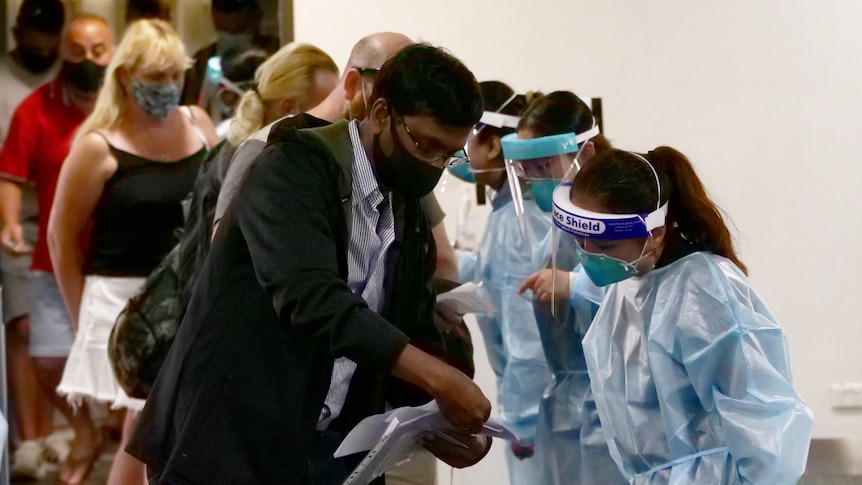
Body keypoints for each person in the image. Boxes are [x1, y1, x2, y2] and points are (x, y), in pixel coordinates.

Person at [127, 43, 491, 484]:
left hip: (331, 445)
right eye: (425, 144)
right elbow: (311, 297)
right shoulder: (291, 167)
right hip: (231, 437)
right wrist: (437, 379)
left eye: (448, 155)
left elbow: (410, 318)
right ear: (379, 113)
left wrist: (442, 420)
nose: (433, 164)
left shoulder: (404, 202)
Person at [553, 147, 813, 483]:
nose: (588, 256)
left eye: (603, 247)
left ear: (656, 233)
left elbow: (763, 420)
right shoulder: (630, 280)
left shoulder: (704, 290)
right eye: (580, 241)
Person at [48, 19, 219, 485]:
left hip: (187, 293)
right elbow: (60, 239)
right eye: (155, 77)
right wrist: (81, 318)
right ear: (126, 77)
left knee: (164, 430)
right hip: (122, 300)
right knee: (146, 427)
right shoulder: (97, 147)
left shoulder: (197, 125)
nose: (166, 87)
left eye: (173, 76)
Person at [0, 12, 114, 483]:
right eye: (78, 51)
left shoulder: (127, 102)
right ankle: (83, 432)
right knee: (47, 359)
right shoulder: (36, 107)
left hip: (117, 258)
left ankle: (114, 446)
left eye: (98, 51)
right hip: (54, 255)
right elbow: (10, 174)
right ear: (62, 54)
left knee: (125, 364)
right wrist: (9, 221)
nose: (88, 60)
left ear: (113, 54)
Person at [513, 91, 627, 485]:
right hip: (573, 401)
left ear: (587, 152)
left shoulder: (624, 212)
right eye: (526, 169)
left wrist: (576, 286)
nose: (534, 179)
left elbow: (650, 297)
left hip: (620, 405)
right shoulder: (563, 222)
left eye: (543, 165)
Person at [454, 81, 553, 485]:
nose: (456, 151)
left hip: (541, 418)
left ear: (493, 144)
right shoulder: (508, 213)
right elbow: (494, 282)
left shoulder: (519, 222)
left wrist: (521, 422)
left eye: (463, 137)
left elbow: (527, 337)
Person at [0, 0, 65, 479]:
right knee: (24, 326)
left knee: (63, 328)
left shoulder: (73, 77)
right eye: (34, 33)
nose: (42, 45)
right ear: (18, 28)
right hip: (18, 216)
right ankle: (30, 439)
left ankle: (63, 434)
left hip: (70, 214)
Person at [181, 0, 280, 106]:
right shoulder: (201, 62)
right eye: (222, 30)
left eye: (239, 30)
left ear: (257, 18)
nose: (230, 37)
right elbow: (190, 108)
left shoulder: (277, 53)